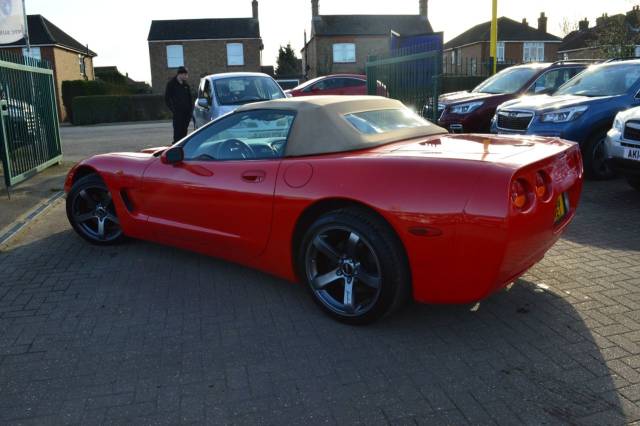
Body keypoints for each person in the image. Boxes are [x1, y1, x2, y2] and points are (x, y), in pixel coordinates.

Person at [165, 66, 193, 142]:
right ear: (180, 74)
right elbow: (167, 98)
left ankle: (183, 146)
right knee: (177, 131)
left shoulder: (186, 85)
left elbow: (190, 98)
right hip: (177, 113)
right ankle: (176, 147)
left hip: (186, 113)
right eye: (185, 75)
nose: (186, 76)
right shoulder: (171, 84)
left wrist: (190, 110)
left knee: (184, 131)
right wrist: (173, 109)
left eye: (186, 75)